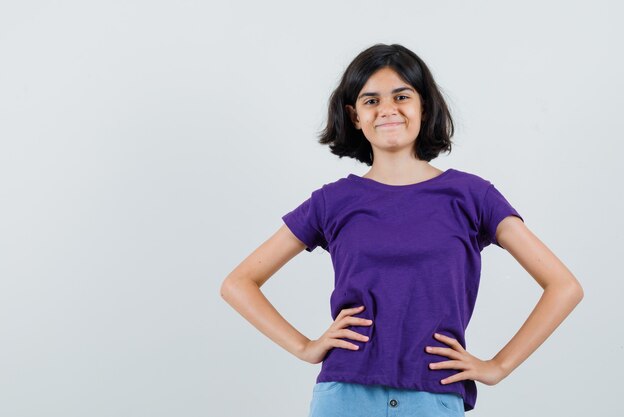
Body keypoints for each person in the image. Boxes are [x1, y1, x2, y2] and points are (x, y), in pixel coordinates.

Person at [219, 43, 584, 416]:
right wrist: (305, 347)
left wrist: (498, 366)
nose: (387, 109)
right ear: (355, 116)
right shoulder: (332, 201)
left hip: (434, 396)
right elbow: (238, 283)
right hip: (345, 395)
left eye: (401, 96)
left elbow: (564, 286)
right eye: (371, 100)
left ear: (423, 107)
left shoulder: (473, 196)